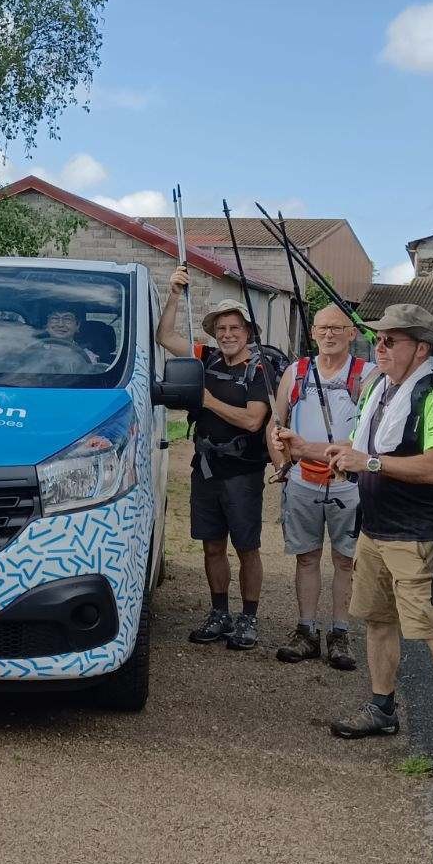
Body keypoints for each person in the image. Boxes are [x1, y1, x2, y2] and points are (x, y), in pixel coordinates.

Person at [285, 304, 433, 779]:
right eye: (378, 339)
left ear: (421, 348)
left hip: (416, 535)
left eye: (391, 340)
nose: (380, 347)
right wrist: (302, 447)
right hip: (374, 529)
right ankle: (382, 709)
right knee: (377, 622)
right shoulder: (379, 388)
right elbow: (353, 450)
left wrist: (370, 465)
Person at [158, 268, 272, 651]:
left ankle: (249, 618)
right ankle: (220, 612)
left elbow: (254, 420)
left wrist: (207, 400)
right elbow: (165, 337)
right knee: (211, 545)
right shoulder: (204, 358)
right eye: (221, 328)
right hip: (205, 469)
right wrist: (174, 293)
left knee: (246, 547)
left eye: (234, 328)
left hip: (243, 472)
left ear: (248, 333)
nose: (226, 335)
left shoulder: (260, 370)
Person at [267, 304, 375, 670]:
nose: (329, 334)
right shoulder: (296, 371)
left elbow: (374, 433)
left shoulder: (367, 375)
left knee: (346, 560)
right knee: (307, 557)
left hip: (349, 485)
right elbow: (275, 422)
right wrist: (282, 464)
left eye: (337, 327)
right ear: (312, 332)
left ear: (352, 333)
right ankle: (306, 630)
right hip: (302, 481)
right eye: (322, 328)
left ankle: (340, 633)